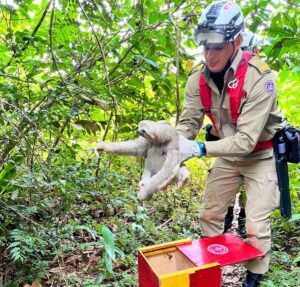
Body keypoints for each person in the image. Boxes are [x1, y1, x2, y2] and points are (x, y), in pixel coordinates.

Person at [176, 1, 285, 286]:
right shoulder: (197, 78)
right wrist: (173, 144)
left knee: (256, 225)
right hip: (227, 152)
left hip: (260, 154)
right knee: (210, 213)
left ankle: (255, 275)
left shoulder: (261, 79)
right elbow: (189, 123)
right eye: (205, 47)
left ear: (237, 41)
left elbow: (247, 141)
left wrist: (199, 148)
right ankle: (213, 268)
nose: (209, 55)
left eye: (217, 47)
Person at [223, 30, 260, 238]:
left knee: (249, 188)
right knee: (227, 187)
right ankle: (228, 220)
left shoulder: (260, 76)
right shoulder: (227, 75)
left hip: (254, 146)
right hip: (230, 143)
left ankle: (242, 221)